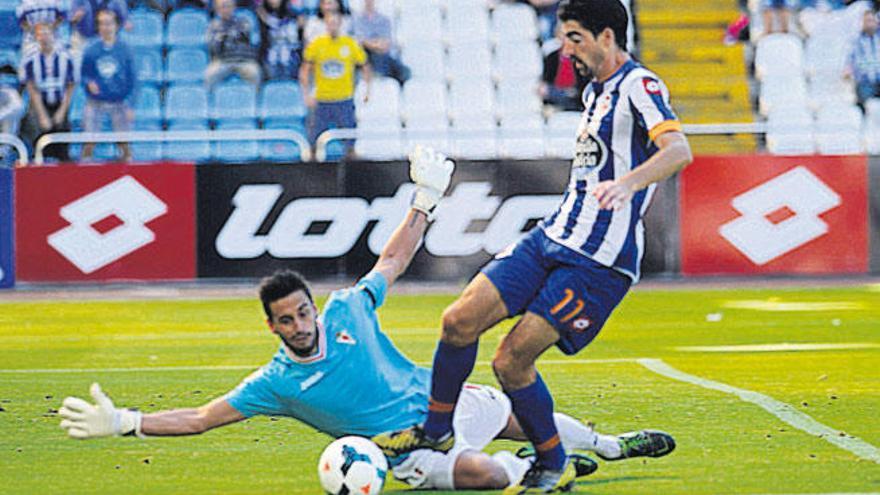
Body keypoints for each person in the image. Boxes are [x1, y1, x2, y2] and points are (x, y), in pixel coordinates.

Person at [57, 147, 628, 491]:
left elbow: (393, 259)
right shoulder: (276, 385)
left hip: (446, 406)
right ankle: (537, 468)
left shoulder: (348, 308)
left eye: (303, 311)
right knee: (487, 476)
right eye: (288, 320)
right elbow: (202, 418)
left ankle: (608, 444)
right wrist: (127, 422)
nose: (302, 324)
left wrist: (424, 199)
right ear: (273, 328)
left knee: (529, 413)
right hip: (412, 450)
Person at [372, 0, 693, 493]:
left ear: (607, 36)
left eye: (575, 38)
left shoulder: (640, 85)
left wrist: (628, 184)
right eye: (565, 38)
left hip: (599, 259)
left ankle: (552, 463)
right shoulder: (593, 92)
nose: (566, 49)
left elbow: (678, 149)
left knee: (510, 361)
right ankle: (436, 434)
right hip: (552, 236)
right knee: (458, 321)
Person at [299, 11, 370, 157]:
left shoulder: (350, 44)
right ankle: (311, 172)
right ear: (326, 24)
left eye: (335, 23)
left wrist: (367, 90)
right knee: (314, 140)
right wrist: (306, 94)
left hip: (344, 99)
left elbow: (365, 66)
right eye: (330, 23)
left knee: (350, 142)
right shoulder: (317, 44)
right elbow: (305, 70)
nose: (333, 26)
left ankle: (353, 173)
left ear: (340, 24)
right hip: (323, 99)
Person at [79, 8, 136, 162]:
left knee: (124, 141)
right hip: (96, 101)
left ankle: (128, 167)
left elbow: (133, 79)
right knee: (89, 138)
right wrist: (88, 83)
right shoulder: (91, 50)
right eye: (102, 24)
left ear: (116, 26)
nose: (106, 27)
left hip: (119, 101)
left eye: (109, 23)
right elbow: (84, 74)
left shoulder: (125, 50)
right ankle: (84, 166)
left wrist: (130, 105)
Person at [20, 22, 76, 162]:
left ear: (54, 36)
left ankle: (63, 165)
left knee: (62, 130)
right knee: (36, 128)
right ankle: (39, 162)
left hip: (59, 102)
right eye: (40, 35)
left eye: (47, 34)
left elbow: (70, 86)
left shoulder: (66, 58)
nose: (44, 38)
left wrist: (61, 112)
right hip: (40, 103)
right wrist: (42, 114)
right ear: (36, 38)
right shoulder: (30, 59)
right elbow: (31, 87)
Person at [205, 0, 262, 89]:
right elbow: (212, 47)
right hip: (223, 62)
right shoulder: (213, 26)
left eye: (228, 6)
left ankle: (253, 100)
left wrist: (229, 37)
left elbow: (252, 42)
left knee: (255, 73)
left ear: (233, 7)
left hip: (244, 61)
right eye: (222, 7)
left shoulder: (244, 22)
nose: (225, 9)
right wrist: (222, 39)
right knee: (210, 75)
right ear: (217, 9)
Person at [352, 0, 409, 85]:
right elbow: (356, 40)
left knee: (404, 72)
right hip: (364, 54)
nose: (369, 2)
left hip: (382, 53)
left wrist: (368, 43)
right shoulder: (355, 20)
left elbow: (385, 42)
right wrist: (372, 44)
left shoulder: (384, 20)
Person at [256, 0, 306, 80]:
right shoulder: (261, 15)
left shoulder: (293, 14)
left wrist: (300, 28)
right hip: (271, 54)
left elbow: (297, 40)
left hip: (290, 53)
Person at [846, 9, 880, 108]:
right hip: (865, 82)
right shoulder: (856, 41)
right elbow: (855, 63)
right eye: (867, 21)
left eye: (872, 21)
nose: (870, 24)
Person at [0, 64, 25, 167]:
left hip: (6, 125)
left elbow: (19, 107)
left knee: (11, 119)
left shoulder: (10, 93)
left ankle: (4, 154)